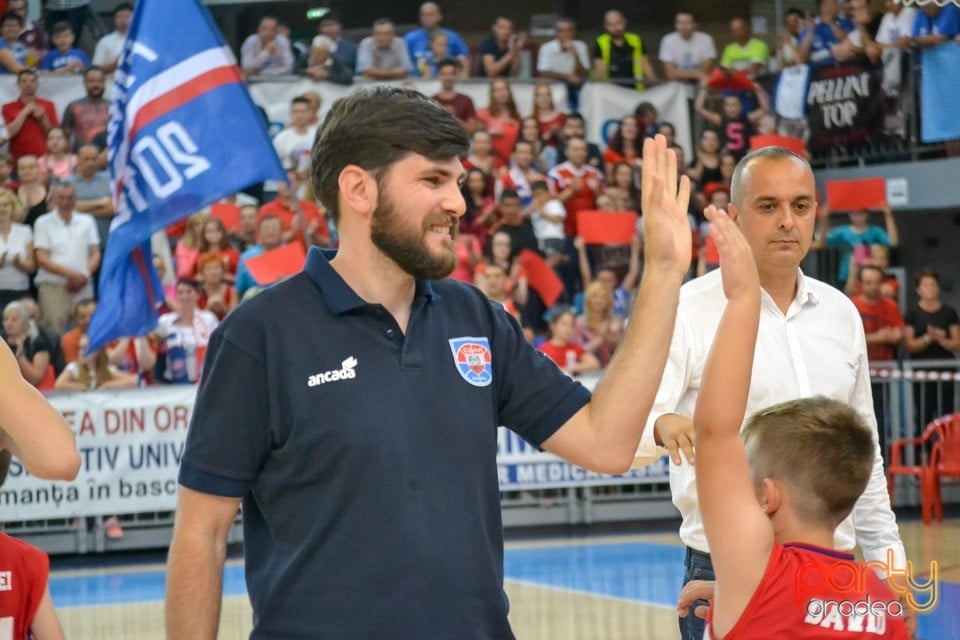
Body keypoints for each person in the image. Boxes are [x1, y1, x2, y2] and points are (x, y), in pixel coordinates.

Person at [165, 86, 694, 639]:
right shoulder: (258, 337)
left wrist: (661, 272)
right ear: (358, 188)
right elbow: (201, 534)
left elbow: (606, 442)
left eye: (459, 182)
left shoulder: (478, 320)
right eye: (433, 180)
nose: (459, 203)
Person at [633, 147, 908, 640]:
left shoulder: (841, 313)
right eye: (768, 206)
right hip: (727, 569)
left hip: (836, 573)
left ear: (815, 216)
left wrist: (892, 567)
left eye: (800, 206)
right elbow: (629, 431)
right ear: (735, 217)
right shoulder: (686, 308)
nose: (786, 221)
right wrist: (661, 424)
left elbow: (863, 459)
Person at [903, 267, 959, 427]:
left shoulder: (949, 312)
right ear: (918, 289)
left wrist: (940, 339)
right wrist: (928, 338)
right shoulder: (912, 314)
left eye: (933, 285)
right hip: (921, 372)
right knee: (923, 413)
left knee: (946, 412)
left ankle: (946, 450)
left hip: (945, 370)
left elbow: (956, 343)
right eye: (925, 285)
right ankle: (923, 451)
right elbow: (909, 345)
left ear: (938, 288)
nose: (930, 289)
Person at [152, 277, 218, 384]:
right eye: (180, 292)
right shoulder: (166, 321)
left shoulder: (208, 319)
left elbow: (218, 346)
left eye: (188, 292)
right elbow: (154, 346)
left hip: (205, 380)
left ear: (198, 295)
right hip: (176, 381)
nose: (184, 296)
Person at [592, 9, 657, 90]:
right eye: (611, 25)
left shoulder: (636, 40)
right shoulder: (601, 43)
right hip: (611, 92)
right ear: (605, 25)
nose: (616, 28)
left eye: (618, 23)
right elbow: (599, 72)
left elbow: (647, 66)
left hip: (636, 90)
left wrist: (655, 86)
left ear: (624, 22)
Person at [54, 331, 137, 391]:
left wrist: (107, 386)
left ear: (97, 351)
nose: (82, 352)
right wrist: (85, 388)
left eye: (86, 348)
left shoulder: (106, 369)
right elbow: (59, 385)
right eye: (80, 348)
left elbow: (134, 381)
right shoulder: (74, 368)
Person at [538, 305, 601, 376]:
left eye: (571, 325)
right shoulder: (543, 350)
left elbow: (594, 364)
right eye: (564, 324)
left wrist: (570, 368)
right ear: (552, 325)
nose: (568, 329)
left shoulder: (575, 348)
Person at [2, 299, 50, 387]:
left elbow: (35, 380)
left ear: (26, 323)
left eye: (14, 319)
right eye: (6, 319)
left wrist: (20, 356)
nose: (9, 323)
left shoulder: (37, 343)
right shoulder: (2, 341)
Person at [0, 186, 34, 310]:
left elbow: (32, 266)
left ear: (13, 207)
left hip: (20, 290)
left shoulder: (24, 231)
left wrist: (20, 264)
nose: (2, 209)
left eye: (5, 205)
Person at [91, 2, 132, 74]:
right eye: (119, 16)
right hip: (111, 83)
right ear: (114, 19)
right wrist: (115, 64)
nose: (123, 19)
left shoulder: (141, 40)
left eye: (127, 17)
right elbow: (95, 69)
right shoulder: (105, 41)